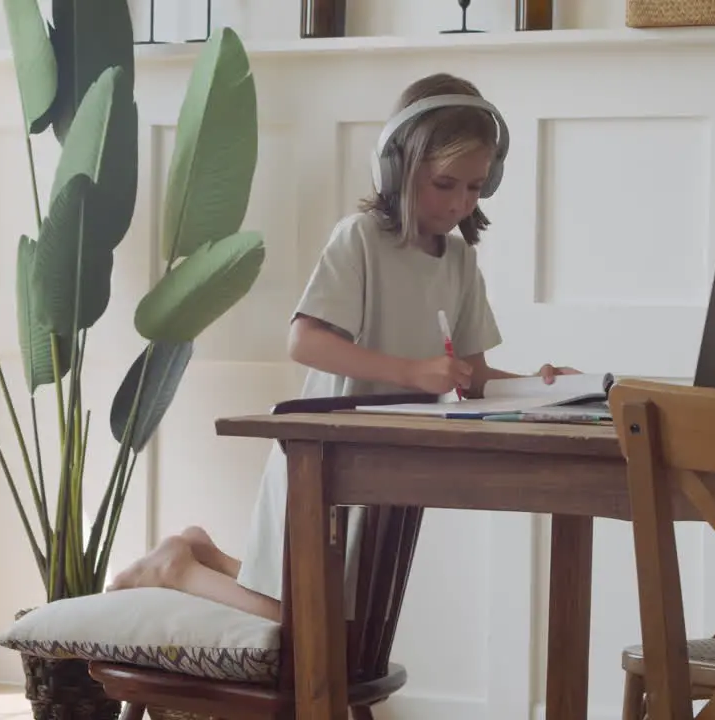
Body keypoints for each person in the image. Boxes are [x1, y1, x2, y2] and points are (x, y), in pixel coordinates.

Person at [107, 73, 577, 622]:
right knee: (305, 617)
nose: (460, 202)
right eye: (445, 184)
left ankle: (200, 552)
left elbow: (470, 377)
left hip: (387, 462)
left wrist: (543, 388)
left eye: (475, 187)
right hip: (325, 455)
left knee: (339, 606)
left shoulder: (459, 262)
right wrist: (412, 371)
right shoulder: (359, 240)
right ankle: (176, 569)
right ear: (398, 170)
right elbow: (305, 341)